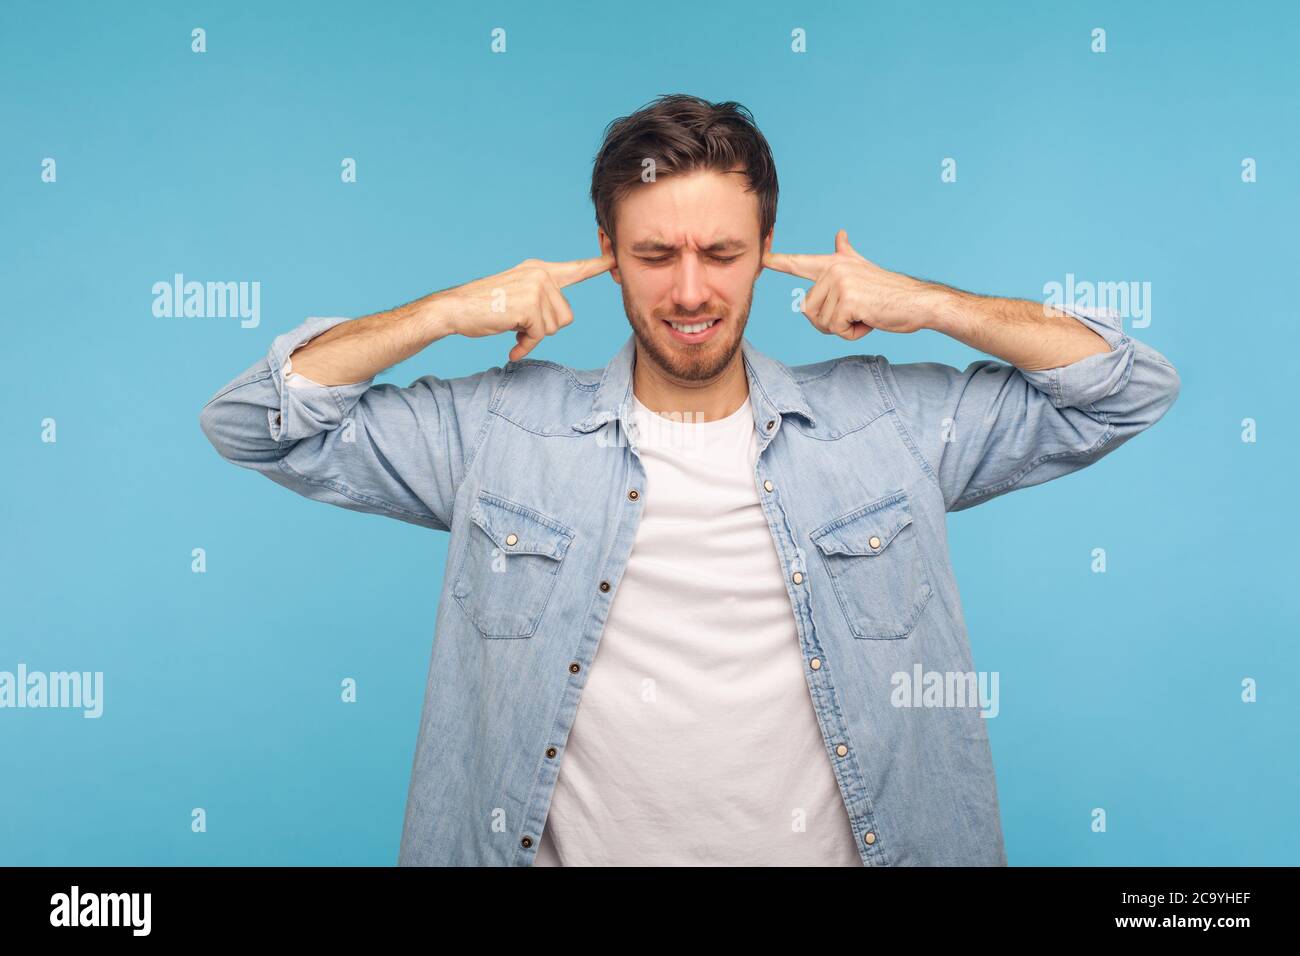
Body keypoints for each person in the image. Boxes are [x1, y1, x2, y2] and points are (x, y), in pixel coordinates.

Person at [199, 93, 1180, 866]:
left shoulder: (889, 424)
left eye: (722, 252)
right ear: (609, 262)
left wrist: (923, 302)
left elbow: (1121, 390)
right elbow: (254, 424)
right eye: (655, 254)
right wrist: (443, 312)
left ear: (764, 257)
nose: (691, 289)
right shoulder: (497, 430)